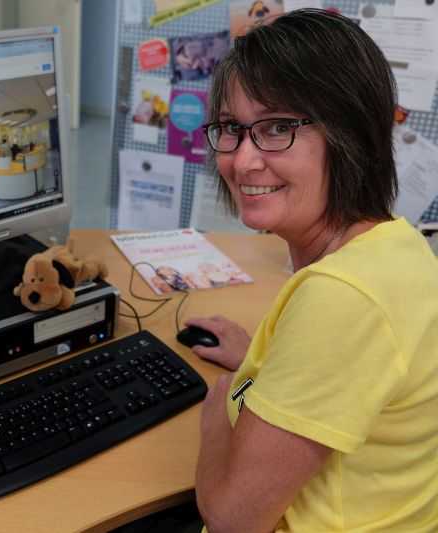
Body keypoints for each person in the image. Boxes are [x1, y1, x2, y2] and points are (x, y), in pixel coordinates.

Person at [178, 9, 438, 532]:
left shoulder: (343, 298)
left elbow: (232, 518)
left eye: (277, 127)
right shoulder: (399, 248)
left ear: (351, 134)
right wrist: (264, 361)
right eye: (231, 128)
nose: (243, 160)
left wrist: (217, 410)